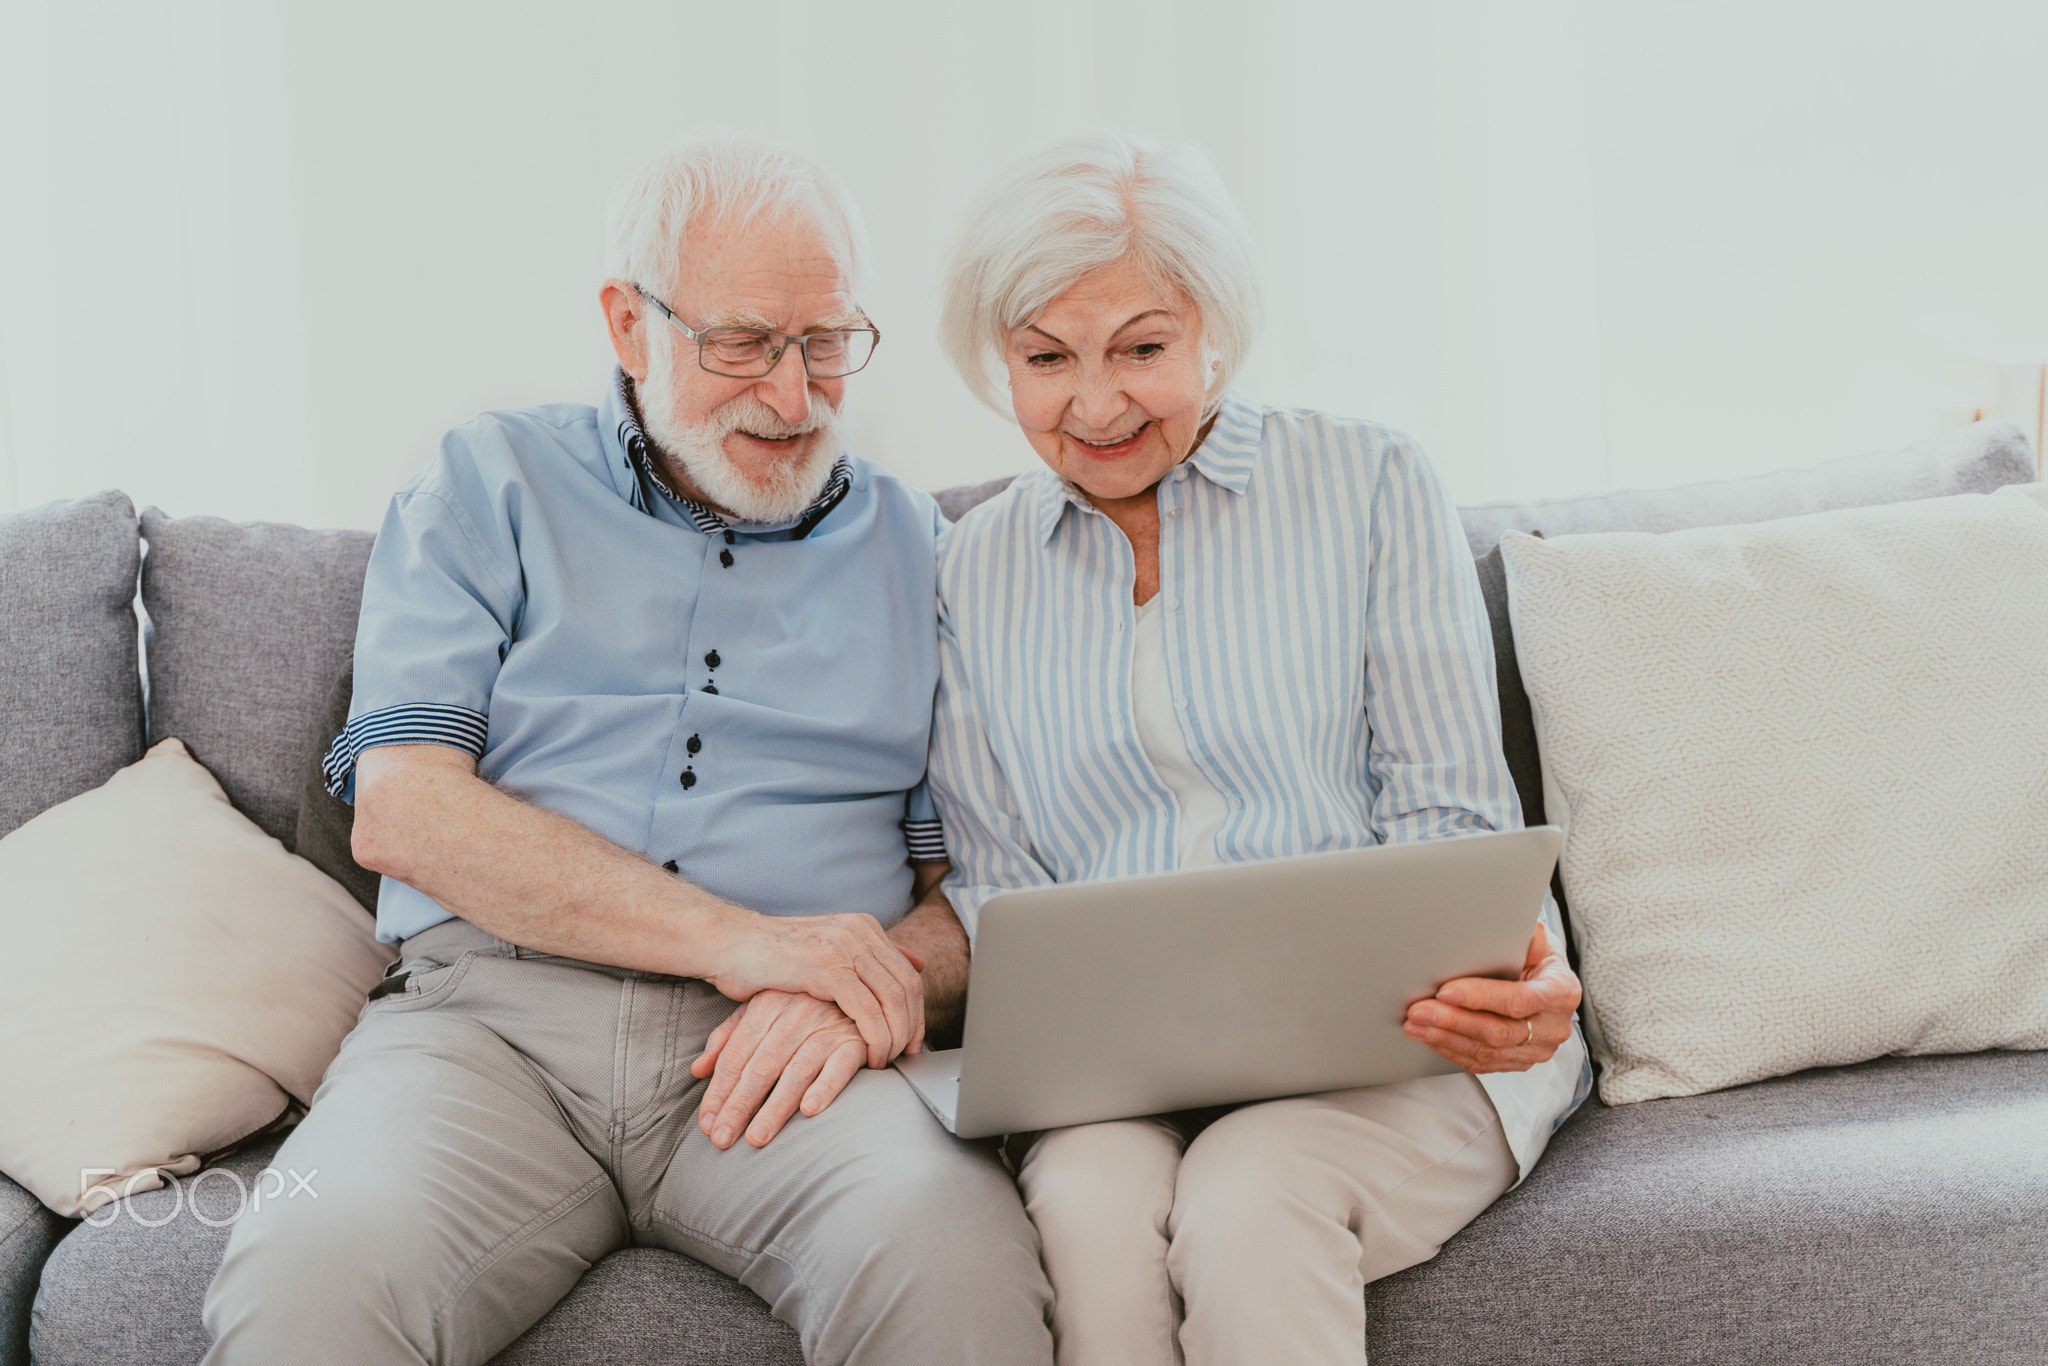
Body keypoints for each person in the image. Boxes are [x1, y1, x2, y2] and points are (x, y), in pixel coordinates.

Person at [199, 137, 1055, 1366]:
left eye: (824, 345)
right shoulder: (483, 480)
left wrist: (872, 990)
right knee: (312, 1273)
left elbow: (972, 889)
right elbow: (405, 811)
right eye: (743, 343)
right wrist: (737, 937)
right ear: (626, 321)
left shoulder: (919, 549)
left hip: (786, 1049)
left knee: (950, 1253)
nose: (792, 395)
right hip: (485, 1027)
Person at [927, 130, 1594, 1366]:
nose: (1095, 403)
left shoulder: (1368, 481)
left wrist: (1493, 973)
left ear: (1212, 330)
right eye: (1043, 358)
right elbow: (997, 885)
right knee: (1083, 1207)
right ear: (996, 361)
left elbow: (1451, 817)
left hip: (1403, 1055)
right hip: (1114, 1086)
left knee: (1251, 1186)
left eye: (1141, 346)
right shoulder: (967, 568)